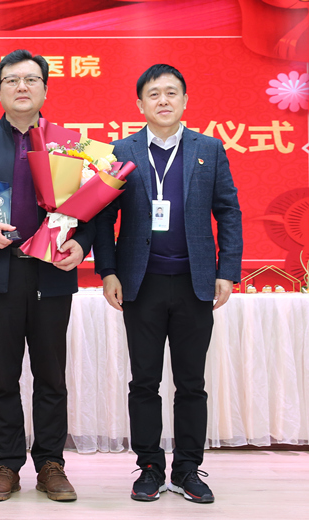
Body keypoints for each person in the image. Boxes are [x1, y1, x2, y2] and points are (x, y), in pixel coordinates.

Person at [0, 49, 92, 502]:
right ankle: (6, 463)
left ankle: (50, 464)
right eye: (11, 80)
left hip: (51, 273)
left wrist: (82, 245)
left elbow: (95, 205)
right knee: (2, 375)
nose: (21, 87)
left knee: (51, 375)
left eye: (30, 79)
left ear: (45, 88)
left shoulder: (70, 142)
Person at [93, 64, 242, 504]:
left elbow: (228, 211)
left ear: (185, 100)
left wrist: (227, 270)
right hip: (141, 284)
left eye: (171, 92)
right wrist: (108, 271)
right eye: (154, 93)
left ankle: (188, 468)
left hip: (196, 283)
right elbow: (103, 217)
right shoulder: (121, 150)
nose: (163, 100)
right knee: (144, 382)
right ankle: (150, 467)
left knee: (191, 383)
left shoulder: (208, 149)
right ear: (140, 103)